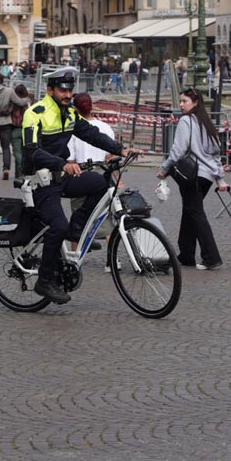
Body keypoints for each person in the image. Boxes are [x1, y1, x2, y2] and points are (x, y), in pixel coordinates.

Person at [22, 67, 138, 304]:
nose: (67, 95)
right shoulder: (35, 113)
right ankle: (45, 281)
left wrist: (121, 149)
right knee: (58, 226)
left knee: (100, 183)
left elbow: (92, 134)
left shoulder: (69, 114)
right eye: (62, 90)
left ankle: (78, 227)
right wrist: (62, 164)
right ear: (50, 90)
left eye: (70, 90)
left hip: (62, 175)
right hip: (40, 181)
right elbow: (31, 151)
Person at [156, 88, 229, 270]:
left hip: (192, 175)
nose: (181, 105)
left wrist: (164, 169)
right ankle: (186, 254)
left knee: (195, 213)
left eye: (185, 101)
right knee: (189, 211)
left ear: (195, 102)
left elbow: (178, 150)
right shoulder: (206, 122)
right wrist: (220, 179)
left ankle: (211, 257)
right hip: (207, 177)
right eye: (180, 101)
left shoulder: (186, 121)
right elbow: (216, 154)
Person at [9, 83, 30, 178]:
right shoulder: (28, 102)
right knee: (24, 152)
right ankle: (22, 173)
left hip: (15, 129)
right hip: (27, 130)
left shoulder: (13, 103)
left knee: (17, 153)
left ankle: (18, 174)